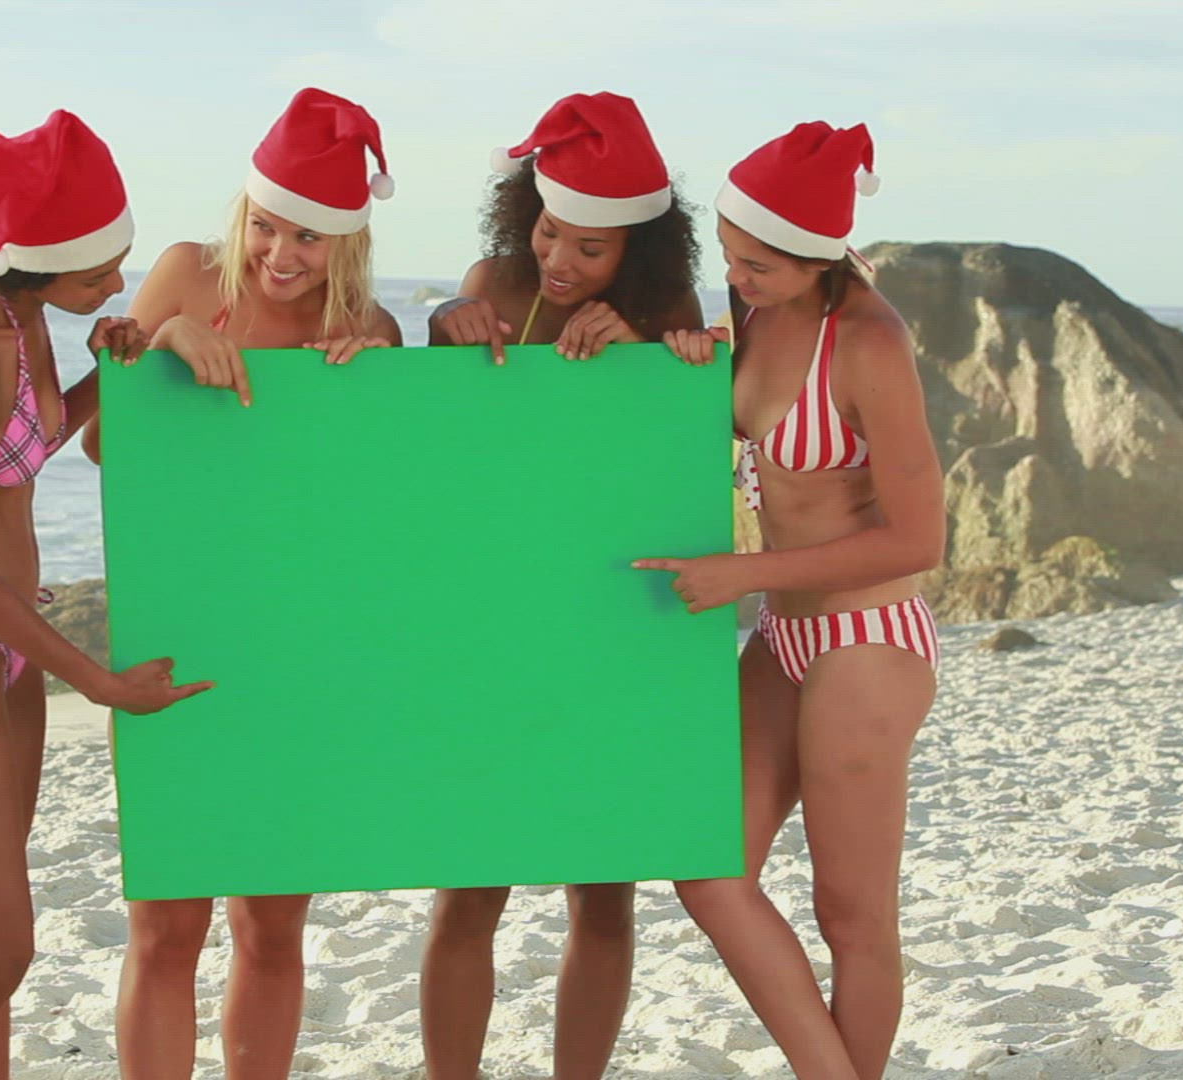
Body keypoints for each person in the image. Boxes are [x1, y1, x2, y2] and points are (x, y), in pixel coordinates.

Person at [0, 110, 210, 1080]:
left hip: (3, 651)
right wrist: (99, 683)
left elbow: (33, 443)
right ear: (38, 263)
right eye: (98, 274)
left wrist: (118, 361)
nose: (114, 286)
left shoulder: (17, 310)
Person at [85, 88, 401, 1080]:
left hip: (300, 649)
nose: (281, 253)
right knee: (166, 924)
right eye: (267, 225)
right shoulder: (186, 274)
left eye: (308, 235)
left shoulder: (369, 326)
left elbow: (379, 511)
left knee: (271, 926)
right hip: (175, 633)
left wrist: (369, 395)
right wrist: (161, 347)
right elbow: (102, 445)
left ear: (348, 239)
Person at [641, 122, 945, 1080]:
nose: (737, 277)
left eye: (759, 265)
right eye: (729, 255)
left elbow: (921, 541)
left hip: (868, 638)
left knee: (851, 915)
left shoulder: (871, 343)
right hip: (783, 637)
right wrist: (684, 361)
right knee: (709, 869)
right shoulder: (758, 308)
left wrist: (743, 573)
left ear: (819, 258)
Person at [421, 92, 706, 1080]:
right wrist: (442, 330)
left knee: (605, 893)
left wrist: (654, 357)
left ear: (639, 248)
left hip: (609, 627)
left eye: (591, 248)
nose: (561, 260)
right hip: (490, 624)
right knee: (471, 887)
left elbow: (685, 446)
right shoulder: (491, 282)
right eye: (550, 232)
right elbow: (435, 450)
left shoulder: (665, 306)